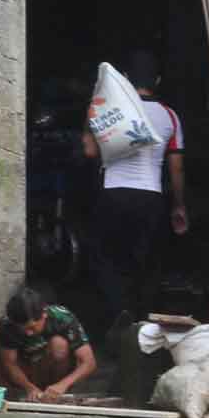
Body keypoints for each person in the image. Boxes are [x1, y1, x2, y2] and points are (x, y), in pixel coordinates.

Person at [83, 50, 187, 331]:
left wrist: (89, 119)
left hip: (113, 195)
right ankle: (142, 327)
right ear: (159, 80)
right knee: (146, 265)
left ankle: (117, 315)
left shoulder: (109, 110)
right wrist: (179, 206)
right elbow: (175, 169)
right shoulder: (170, 116)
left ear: (126, 79)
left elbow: (90, 151)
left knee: (108, 260)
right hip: (150, 198)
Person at [0, 287, 97, 399]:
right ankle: (10, 395)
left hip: (50, 372)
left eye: (32, 327)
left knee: (59, 344)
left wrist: (62, 385)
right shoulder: (8, 324)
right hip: (25, 373)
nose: (28, 333)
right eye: (23, 329)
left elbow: (89, 362)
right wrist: (29, 387)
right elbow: (10, 363)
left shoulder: (62, 317)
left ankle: (52, 394)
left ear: (44, 315)